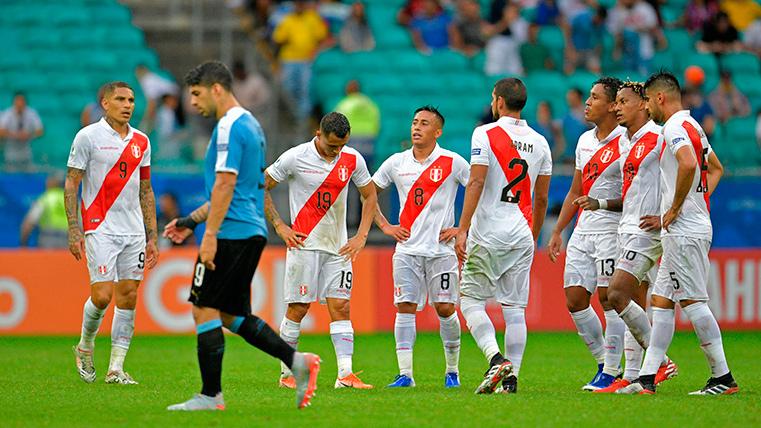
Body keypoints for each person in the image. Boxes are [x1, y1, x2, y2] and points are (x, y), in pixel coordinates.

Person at [164, 61, 320, 411]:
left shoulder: (228, 127)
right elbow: (242, 189)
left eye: (196, 93)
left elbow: (225, 184)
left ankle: (210, 395)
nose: (192, 103)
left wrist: (209, 235)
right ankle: (298, 363)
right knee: (230, 315)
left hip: (231, 233)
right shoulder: (251, 125)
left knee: (203, 307)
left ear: (215, 88)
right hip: (250, 229)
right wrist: (191, 220)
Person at [620, 71, 737, 395]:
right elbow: (715, 168)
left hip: (684, 230)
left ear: (659, 98)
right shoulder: (694, 125)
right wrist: (696, 202)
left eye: (648, 100)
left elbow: (687, 164)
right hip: (687, 227)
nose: (647, 107)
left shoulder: (673, 128)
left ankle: (722, 377)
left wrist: (674, 210)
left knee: (694, 302)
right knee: (661, 303)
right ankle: (646, 379)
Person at [263, 112, 377, 390]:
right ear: (318, 134)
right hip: (304, 245)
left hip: (338, 248)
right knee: (298, 308)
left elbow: (370, 194)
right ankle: (287, 374)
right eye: (331, 146)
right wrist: (280, 226)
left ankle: (345, 375)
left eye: (341, 146)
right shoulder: (295, 157)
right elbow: (259, 186)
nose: (336, 151)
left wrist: (361, 235)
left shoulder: (352, 159)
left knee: (342, 306)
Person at [455, 78, 552, 394]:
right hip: (523, 233)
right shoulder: (540, 142)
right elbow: (541, 198)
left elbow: (476, 183)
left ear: (497, 101)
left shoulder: (484, 134)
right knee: (514, 309)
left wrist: (463, 228)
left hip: (489, 232)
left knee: (470, 300)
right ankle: (511, 380)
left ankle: (496, 359)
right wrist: (533, 235)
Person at [584, 81, 677, 393]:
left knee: (617, 294)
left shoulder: (660, 137)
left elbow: (697, 166)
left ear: (643, 104)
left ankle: (660, 360)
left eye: (624, 102)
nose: (618, 107)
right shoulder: (627, 140)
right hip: (628, 227)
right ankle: (637, 375)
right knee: (634, 301)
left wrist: (668, 214)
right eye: (617, 102)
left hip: (646, 231)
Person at [66, 81, 159, 385]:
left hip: (133, 230)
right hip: (99, 225)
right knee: (103, 295)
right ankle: (85, 345)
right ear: (105, 103)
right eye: (120, 99)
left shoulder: (142, 141)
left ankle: (116, 369)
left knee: (129, 296)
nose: (128, 104)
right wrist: (73, 227)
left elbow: (146, 189)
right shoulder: (87, 137)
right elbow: (72, 182)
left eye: (131, 99)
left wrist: (152, 235)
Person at [372, 106, 469, 388]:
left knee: (445, 308)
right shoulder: (396, 162)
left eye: (424, 123)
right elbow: (368, 192)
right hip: (407, 251)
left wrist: (462, 228)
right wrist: (385, 226)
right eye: (415, 122)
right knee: (404, 307)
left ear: (437, 132)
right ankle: (405, 374)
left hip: (442, 251)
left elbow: (479, 190)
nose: (417, 127)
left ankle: (452, 371)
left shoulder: (453, 162)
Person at [547, 78, 627, 391]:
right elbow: (575, 191)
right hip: (584, 228)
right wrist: (557, 230)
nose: (587, 103)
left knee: (610, 299)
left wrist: (603, 203)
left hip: (612, 228)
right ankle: (603, 362)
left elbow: (635, 194)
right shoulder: (584, 141)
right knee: (575, 298)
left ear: (612, 105)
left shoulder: (626, 140)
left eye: (594, 98)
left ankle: (611, 370)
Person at [272, 0, 328, 119]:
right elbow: (278, 38)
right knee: (289, 87)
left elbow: (322, 38)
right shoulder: (287, 19)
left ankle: (302, 119)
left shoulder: (313, 18)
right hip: (289, 59)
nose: (299, 6)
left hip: (306, 60)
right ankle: (292, 114)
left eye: (301, 3)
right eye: (297, 4)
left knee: (306, 89)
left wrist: (316, 51)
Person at [20, 174, 68, 248]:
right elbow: (81, 222)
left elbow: (29, 222)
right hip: (67, 240)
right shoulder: (70, 199)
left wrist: (23, 242)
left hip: (48, 238)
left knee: (47, 259)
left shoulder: (45, 198)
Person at [0, 92, 44, 172]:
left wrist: (29, 135)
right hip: (10, 153)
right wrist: (15, 135)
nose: (20, 104)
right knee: (11, 176)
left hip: (26, 153)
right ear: (14, 102)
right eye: (18, 101)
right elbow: (1, 131)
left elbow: (40, 131)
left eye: (21, 101)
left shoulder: (31, 113)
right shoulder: (7, 114)